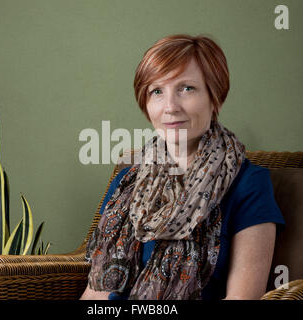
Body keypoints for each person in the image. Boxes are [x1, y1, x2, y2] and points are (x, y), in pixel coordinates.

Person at [80, 34, 285, 300]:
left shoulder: (249, 183)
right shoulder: (127, 182)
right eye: (157, 91)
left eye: (186, 88)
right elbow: (96, 296)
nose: (170, 107)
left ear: (215, 97)